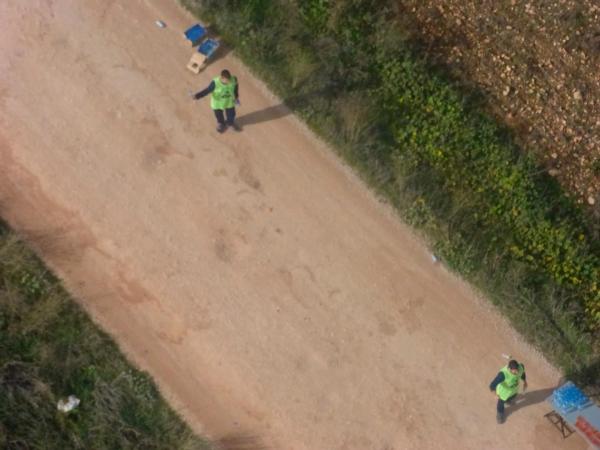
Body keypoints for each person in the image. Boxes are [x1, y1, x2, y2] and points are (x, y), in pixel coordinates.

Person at [489, 359, 527, 424]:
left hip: (513, 390)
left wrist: (525, 381)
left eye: (517, 370)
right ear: (509, 369)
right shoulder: (502, 375)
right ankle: (500, 414)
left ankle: (508, 400)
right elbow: (492, 385)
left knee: (513, 396)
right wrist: (495, 394)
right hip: (503, 392)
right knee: (501, 403)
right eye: (514, 371)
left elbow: (522, 373)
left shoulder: (521, 367)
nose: (517, 372)